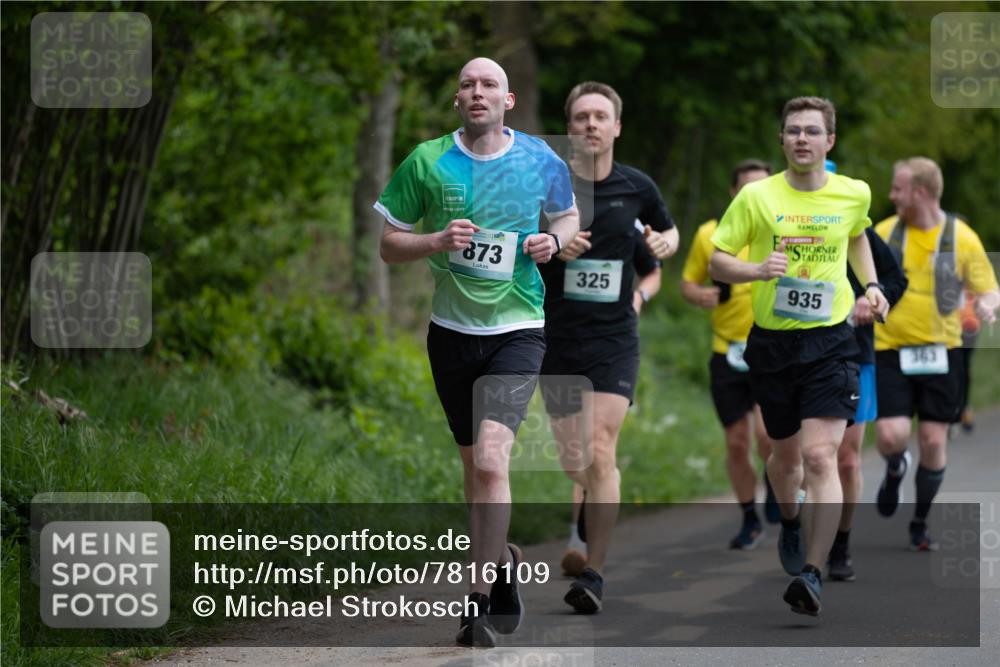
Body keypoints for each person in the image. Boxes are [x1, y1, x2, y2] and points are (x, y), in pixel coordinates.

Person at [376, 57, 580, 647]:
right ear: (457, 98)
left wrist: (553, 240)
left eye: (489, 84)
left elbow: (567, 217)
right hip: (451, 333)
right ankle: (504, 558)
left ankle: (478, 601)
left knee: (493, 460)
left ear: (507, 100)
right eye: (467, 83)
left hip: (519, 327)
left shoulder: (541, 157)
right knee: (474, 472)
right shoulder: (427, 160)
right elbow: (390, 246)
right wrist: (435, 240)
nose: (477, 91)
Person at [709, 96, 889, 617]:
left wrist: (872, 284)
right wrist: (756, 270)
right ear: (782, 140)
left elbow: (856, 237)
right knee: (783, 460)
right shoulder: (756, 197)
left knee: (819, 456)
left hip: (832, 340)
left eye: (813, 131)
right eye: (793, 131)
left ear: (829, 141)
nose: (802, 139)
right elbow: (720, 262)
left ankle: (813, 572)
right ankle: (790, 520)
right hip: (772, 342)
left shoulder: (853, 193)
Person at [539, 81, 678, 614]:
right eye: (580, 118)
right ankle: (583, 514)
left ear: (617, 126)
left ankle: (593, 572)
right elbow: (517, 246)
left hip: (614, 340)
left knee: (599, 446)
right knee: (575, 461)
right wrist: (554, 245)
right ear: (569, 128)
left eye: (601, 116)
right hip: (556, 339)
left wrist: (665, 246)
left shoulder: (638, 187)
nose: (591, 124)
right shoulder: (548, 188)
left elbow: (665, 236)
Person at [872, 156, 999, 551]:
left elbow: (988, 286)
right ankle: (895, 466)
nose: (891, 195)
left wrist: (989, 304)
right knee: (892, 436)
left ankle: (920, 522)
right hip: (889, 349)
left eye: (898, 189)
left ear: (920, 192)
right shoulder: (884, 233)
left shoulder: (961, 237)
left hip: (943, 353)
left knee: (931, 441)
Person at [680, 159, 779, 551]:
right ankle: (749, 518)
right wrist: (699, 295)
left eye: (762, 187)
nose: (754, 195)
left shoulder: (782, 230)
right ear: (733, 193)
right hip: (727, 351)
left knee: (768, 437)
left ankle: (776, 483)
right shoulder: (710, 234)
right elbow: (688, 282)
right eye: (747, 189)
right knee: (737, 442)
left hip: (771, 347)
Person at [825, 161, 909, 582]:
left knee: (846, 459)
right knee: (799, 456)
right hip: (796, 354)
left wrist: (872, 299)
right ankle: (801, 531)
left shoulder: (858, 232)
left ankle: (839, 542)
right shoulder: (781, 227)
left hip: (855, 356)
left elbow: (896, 279)